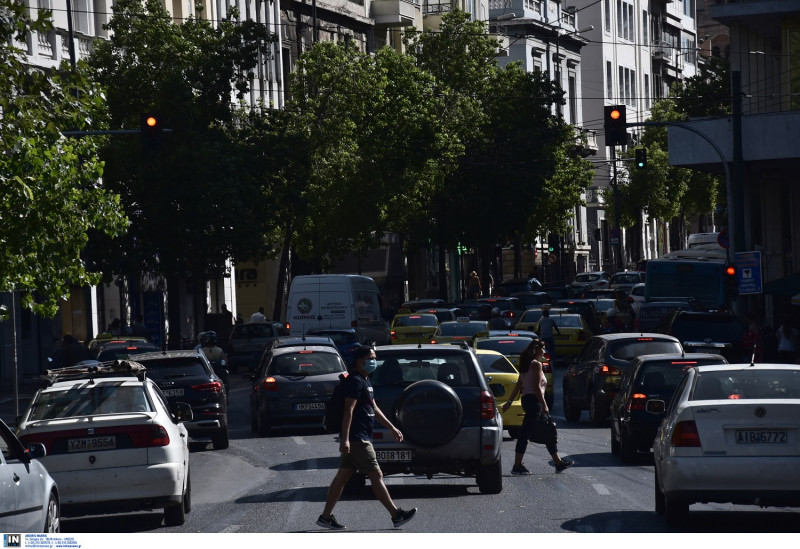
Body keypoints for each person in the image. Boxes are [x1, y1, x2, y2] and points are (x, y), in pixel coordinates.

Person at [317, 345, 417, 530]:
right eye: (371, 357)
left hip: (360, 436)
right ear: (359, 360)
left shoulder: (365, 380)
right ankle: (396, 515)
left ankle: (325, 517)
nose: (374, 361)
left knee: (341, 479)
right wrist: (345, 439)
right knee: (376, 474)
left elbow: (374, 409)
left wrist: (393, 428)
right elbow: (349, 410)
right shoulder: (355, 381)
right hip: (358, 438)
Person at [501, 340, 572, 474]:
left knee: (543, 430)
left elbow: (518, 385)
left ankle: (558, 463)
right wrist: (544, 405)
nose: (544, 352)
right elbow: (537, 388)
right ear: (538, 350)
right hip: (534, 402)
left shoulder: (526, 364)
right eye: (543, 349)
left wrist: (509, 403)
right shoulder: (536, 365)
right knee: (536, 432)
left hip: (527, 401)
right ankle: (517, 466)